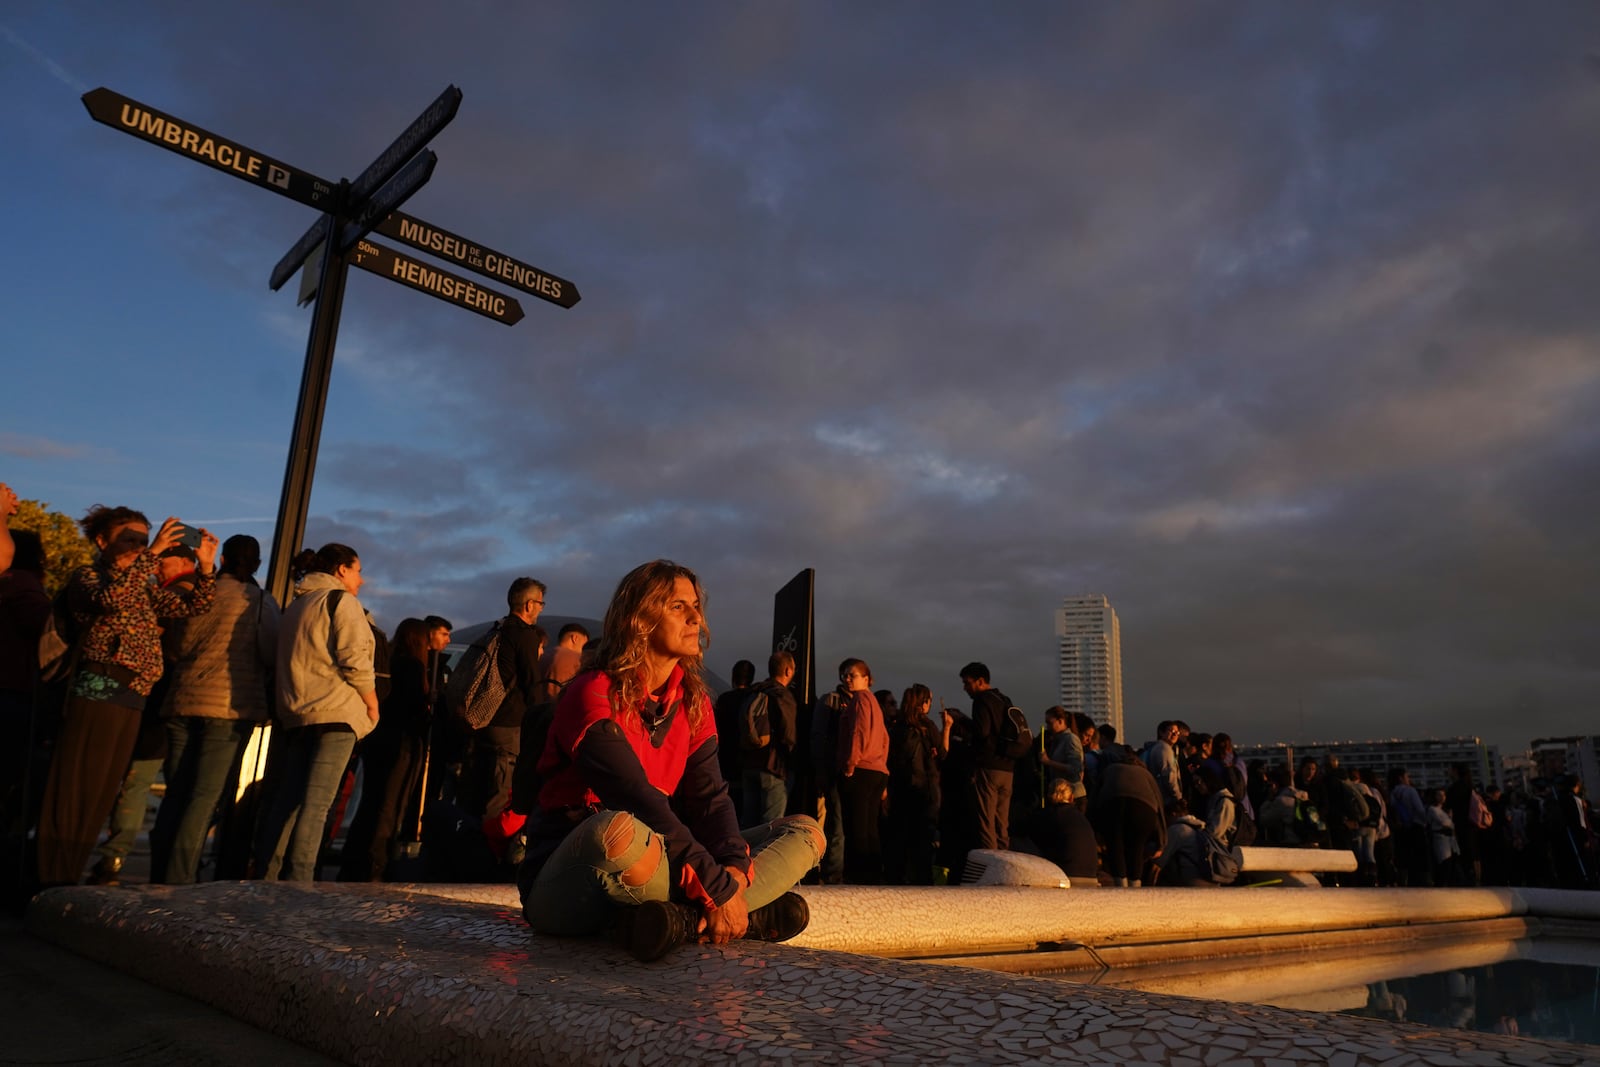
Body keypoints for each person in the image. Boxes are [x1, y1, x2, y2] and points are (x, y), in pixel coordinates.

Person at [517, 560, 823, 962]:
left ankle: (673, 920)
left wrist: (731, 865)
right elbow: (637, 798)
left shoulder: (693, 703)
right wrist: (716, 889)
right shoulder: (593, 693)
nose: (697, 617)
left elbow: (710, 799)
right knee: (618, 831)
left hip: (662, 853)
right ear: (640, 618)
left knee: (804, 832)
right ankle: (742, 913)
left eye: (696, 606)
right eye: (679, 607)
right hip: (577, 873)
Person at [33, 508, 217, 887]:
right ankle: (49, 879)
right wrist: (152, 555)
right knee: (77, 789)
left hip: (132, 696)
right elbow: (111, 600)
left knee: (101, 795)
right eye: (129, 540)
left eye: (142, 540)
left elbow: (192, 607)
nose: (138, 548)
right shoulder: (90, 576)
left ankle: (66, 881)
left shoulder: (144, 586)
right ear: (102, 541)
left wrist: (206, 570)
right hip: (98, 691)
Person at [147, 534, 279, 884]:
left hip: (182, 700)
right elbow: (269, 653)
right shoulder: (261, 602)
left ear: (220, 560)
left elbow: (177, 647)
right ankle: (178, 880)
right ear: (257, 564)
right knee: (204, 798)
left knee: (176, 793)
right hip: (228, 708)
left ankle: (158, 872)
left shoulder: (199, 592)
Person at [254, 544, 376, 882]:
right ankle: (300, 882)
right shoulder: (342, 602)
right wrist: (371, 702)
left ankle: (267, 876)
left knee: (287, 801)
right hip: (335, 712)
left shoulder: (297, 605)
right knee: (317, 805)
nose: (361, 580)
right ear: (341, 570)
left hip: (296, 714)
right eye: (357, 570)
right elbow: (354, 659)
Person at [340, 617, 432, 881]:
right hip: (400, 743)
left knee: (370, 802)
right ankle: (376, 863)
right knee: (388, 805)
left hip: (377, 739)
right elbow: (413, 710)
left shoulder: (390, 661)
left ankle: (355, 862)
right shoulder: (414, 667)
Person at [835, 658, 888, 884]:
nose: (847, 679)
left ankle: (856, 879)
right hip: (877, 771)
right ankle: (872, 878)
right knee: (869, 828)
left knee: (855, 828)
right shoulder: (875, 703)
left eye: (852, 675)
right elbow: (885, 739)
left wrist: (850, 763)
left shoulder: (859, 700)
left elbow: (859, 731)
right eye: (845, 675)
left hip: (861, 769)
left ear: (866, 678)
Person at [884, 683, 941, 885]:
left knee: (899, 841)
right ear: (922, 703)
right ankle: (922, 884)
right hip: (924, 790)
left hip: (901, 790)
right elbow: (942, 754)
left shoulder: (896, 727)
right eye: (929, 700)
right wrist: (949, 727)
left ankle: (897, 880)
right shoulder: (927, 727)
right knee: (923, 845)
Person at [958, 662, 1017, 851]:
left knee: (985, 822)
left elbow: (981, 732)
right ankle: (1005, 865)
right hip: (1007, 768)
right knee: (1002, 823)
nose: (965, 688)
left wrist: (961, 721)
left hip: (988, 768)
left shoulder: (981, 700)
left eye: (967, 683)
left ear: (980, 681)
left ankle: (991, 869)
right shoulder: (1004, 699)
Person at [740, 651, 798, 828]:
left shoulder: (755, 690)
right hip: (773, 766)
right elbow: (788, 733)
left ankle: (743, 855)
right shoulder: (782, 696)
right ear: (788, 671)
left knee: (748, 824)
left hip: (749, 763)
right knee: (770, 826)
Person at [1029, 778, 1099, 884]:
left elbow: (1022, 829)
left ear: (1048, 796)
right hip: (1091, 875)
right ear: (1071, 798)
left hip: (1066, 875)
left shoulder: (1047, 816)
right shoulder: (1081, 817)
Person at [539, 623, 589, 703]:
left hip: (536, 708)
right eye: (585, 643)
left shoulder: (542, 656)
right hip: (561, 707)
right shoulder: (579, 659)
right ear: (575, 638)